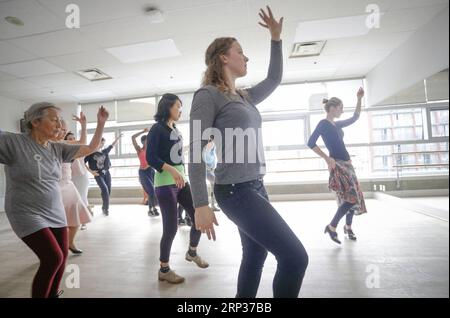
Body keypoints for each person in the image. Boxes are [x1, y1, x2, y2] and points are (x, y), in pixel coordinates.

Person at [189, 6, 308, 298]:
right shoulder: (208, 96)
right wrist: (200, 204)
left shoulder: (243, 96)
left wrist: (276, 39)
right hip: (234, 192)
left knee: (256, 256)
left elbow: (274, 79)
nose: (245, 57)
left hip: (255, 186)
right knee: (295, 258)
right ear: (224, 58)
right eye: (240, 51)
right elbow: (194, 149)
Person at [0, 102, 108, 298]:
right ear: (35, 121)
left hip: (54, 209)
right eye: (54, 119)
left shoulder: (57, 148)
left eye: (60, 120)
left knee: (62, 256)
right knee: (52, 257)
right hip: (26, 211)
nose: (60, 124)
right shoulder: (13, 143)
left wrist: (101, 123)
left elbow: (91, 147)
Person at [147, 93, 209, 284]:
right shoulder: (157, 129)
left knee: (198, 217)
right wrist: (172, 170)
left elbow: (177, 155)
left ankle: (192, 252)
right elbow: (151, 158)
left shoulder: (176, 129)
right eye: (178, 106)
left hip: (182, 181)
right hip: (165, 184)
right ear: (167, 108)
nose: (180, 110)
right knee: (171, 228)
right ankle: (164, 269)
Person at [307, 88, 367, 244]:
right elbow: (310, 143)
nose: (342, 111)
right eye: (340, 108)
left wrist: (359, 99)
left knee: (351, 197)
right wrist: (327, 159)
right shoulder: (323, 124)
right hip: (338, 164)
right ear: (332, 108)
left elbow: (355, 117)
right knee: (351, 197)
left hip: (348, 164)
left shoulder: (336, 125)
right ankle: (332, 226)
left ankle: (348, 227)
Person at [55, 119, 91, 254]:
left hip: (68, 185)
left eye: (64, 129)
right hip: (55, 187)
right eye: (60, 129)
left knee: (77, 217)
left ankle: (70, 242)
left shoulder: (65, 144)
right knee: (60, 220)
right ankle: (59, 246)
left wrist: (84, 125)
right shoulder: (50, 144)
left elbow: (83, 142)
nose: (61, 131)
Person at [84, 134, 122, 216]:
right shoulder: (90, 153)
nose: (102, 144)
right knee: (104, 189)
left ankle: (104, 206)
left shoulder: (105, 151)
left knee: (108, 191)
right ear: (97, 143)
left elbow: (112, 145)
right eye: (101, 143)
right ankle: (106, 209)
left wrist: (118, 138)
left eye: (103, 143)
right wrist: (91, 172)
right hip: (98, 174)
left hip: (106, 173)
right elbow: (82, 162)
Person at [131, 129, 159, 217]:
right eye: (146, 141)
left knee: (154, 191)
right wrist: (143, 132)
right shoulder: (139, 150)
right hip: (143, 172)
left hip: (151, 171)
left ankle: (153, 209)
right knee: (150, 190)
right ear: (143, 142)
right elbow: (133, 137)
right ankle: (151, 209)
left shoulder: (152, 149)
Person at [202, 135, 220, 211]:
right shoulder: (209, 145)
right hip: (208, 170)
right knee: (216, 185)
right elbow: (204, 157)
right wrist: (209, 168)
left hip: (211, 169)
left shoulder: (212, 145)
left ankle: (213, 204)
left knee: (214, 187)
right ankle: (213, 204)